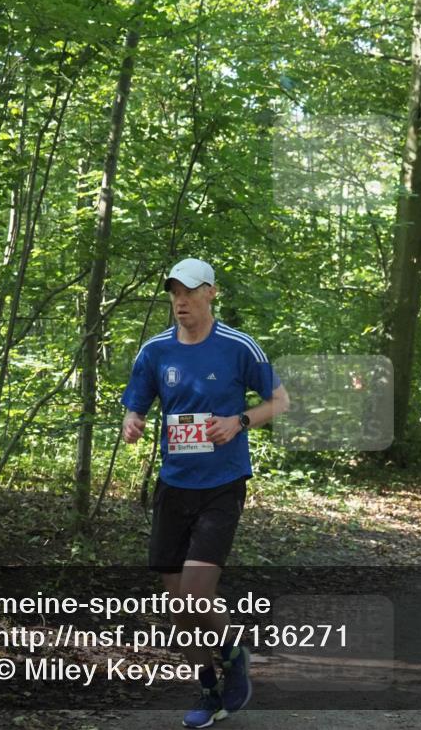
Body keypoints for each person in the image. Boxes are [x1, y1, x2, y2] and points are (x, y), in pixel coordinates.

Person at [121, 258, 290, 728]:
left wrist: (240, 421)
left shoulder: (239, 347)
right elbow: (135, 406)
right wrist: (132, 422)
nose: (181, 300)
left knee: (197, 595)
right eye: (174, 291)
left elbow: (280, 401)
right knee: (177, 604)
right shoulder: (155, 351)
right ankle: (209, 687)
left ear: (211, 293)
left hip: (222, 484)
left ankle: (234, 654)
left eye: (190, 291)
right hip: (173, 486)